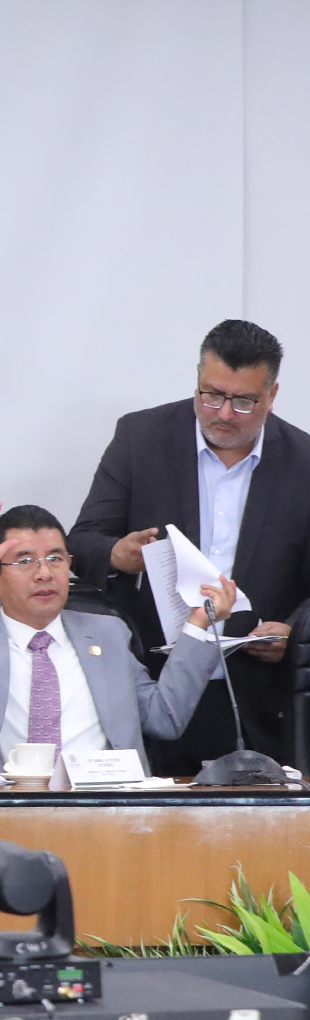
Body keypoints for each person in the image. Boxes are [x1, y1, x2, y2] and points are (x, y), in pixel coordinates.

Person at [71, 319, 310, 773]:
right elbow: (83, 540)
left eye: (243, 401)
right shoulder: (141, 438)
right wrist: (119, 555)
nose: (224, 413)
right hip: (151, 685)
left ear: (272, 395)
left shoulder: (304, 463)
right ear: (198, 378)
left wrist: (293, 633)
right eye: (212, 394)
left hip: (259, 696)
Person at [0, 496, 233, 778]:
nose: (44, 573)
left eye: (55, 559)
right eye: (25, 561)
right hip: (5, 810)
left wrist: (198, 625)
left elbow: (164, 718)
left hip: (107, 808)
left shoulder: (108, 634)